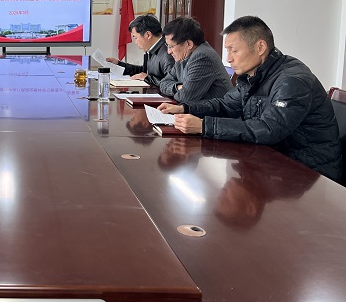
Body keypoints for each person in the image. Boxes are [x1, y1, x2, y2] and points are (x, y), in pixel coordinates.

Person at [159, 16, 342, 182]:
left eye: (234, 50)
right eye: (227, 51)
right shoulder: (254, 75)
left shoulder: (291, 80)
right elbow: (226, 105)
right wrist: (185, 108)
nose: (228, 59)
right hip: (273, 159)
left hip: (310, 172)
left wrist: (204, 126)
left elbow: (268, 129)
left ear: (260, 47)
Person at [158, 17, 232, 101]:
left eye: (171, 46)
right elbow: (163, 83)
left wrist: (178, 90)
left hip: (213, 109)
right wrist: (177, 87)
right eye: (167, 46)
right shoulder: (182, 57)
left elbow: (185, 97)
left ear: (189, 44)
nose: (168, 51)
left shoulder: (202, 57)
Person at [105, 14, 174, 86]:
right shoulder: (152, 50)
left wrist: (147, 78)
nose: (136, 42)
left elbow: (171, 85)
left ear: (148, 35)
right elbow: (144, 72)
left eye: (135, 38)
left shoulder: (168, 53)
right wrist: (118, 64)